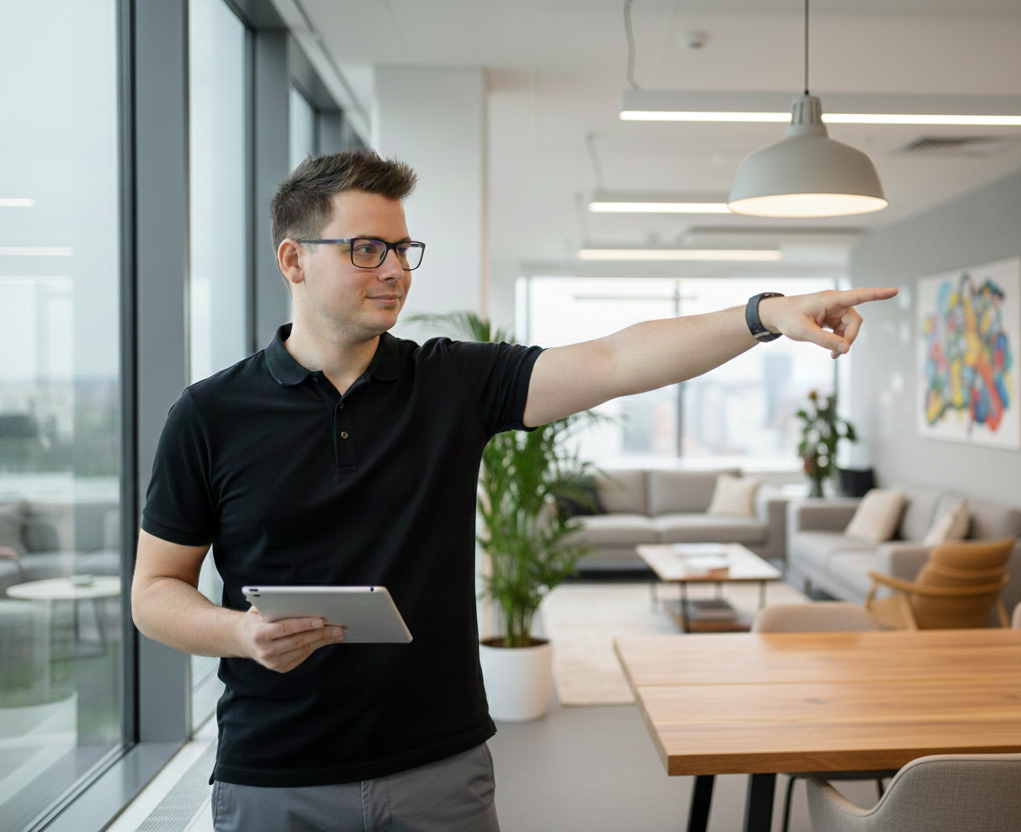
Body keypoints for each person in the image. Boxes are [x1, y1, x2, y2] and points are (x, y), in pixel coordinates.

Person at [130, 148, 896, 832]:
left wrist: (763, 316)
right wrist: (239, 635)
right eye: (367, 249)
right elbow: (154, 591)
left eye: (401, 248)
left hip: (437, 767)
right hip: (274, 775)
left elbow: (612, 359)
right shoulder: (210, 414)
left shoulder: (449, 382)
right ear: (293, 260)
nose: (394, 269)